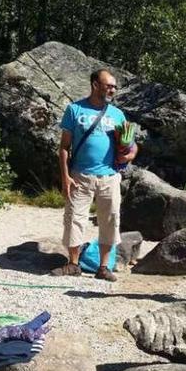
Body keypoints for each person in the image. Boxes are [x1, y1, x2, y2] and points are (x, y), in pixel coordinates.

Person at [51, 69, 138, 281]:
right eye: (109, 85)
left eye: (115, 86)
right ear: (95, 84)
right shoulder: (75, 109)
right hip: (80, 175)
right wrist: (65, 177)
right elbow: (64, 147)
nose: (113, 90)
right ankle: (72, 264)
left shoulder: (117, 114)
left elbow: (129, 145)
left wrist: (129, 154)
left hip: (109, 176)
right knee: (74, 218)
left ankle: (103, 267)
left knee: (110, 220)